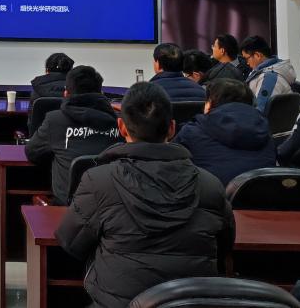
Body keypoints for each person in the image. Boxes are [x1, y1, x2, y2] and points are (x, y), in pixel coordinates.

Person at [55, 82, 235, 308]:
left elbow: (71, 243)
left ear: (121, 127)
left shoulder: (98, 181)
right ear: (172, 128)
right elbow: (224, 246)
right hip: (191, 303)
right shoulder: (211, 185)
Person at [24, 65, 122, 205]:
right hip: (111, 207)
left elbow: (32, 153)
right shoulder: (119, 123)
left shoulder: (55, 120)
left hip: (67, 209)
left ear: (66, 93)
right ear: (101, 93)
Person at [173, 79, 277, 186]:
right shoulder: (265, 132)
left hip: (212, 195)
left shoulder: (191, 132)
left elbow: (170, 168)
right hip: (265, 194)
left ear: (209, 104)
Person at [241, 36, 296, 113]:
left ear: (257, 55)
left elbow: (259, 112)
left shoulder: (269, 78)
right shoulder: (264, 71)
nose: (247, 62)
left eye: (246, 58)